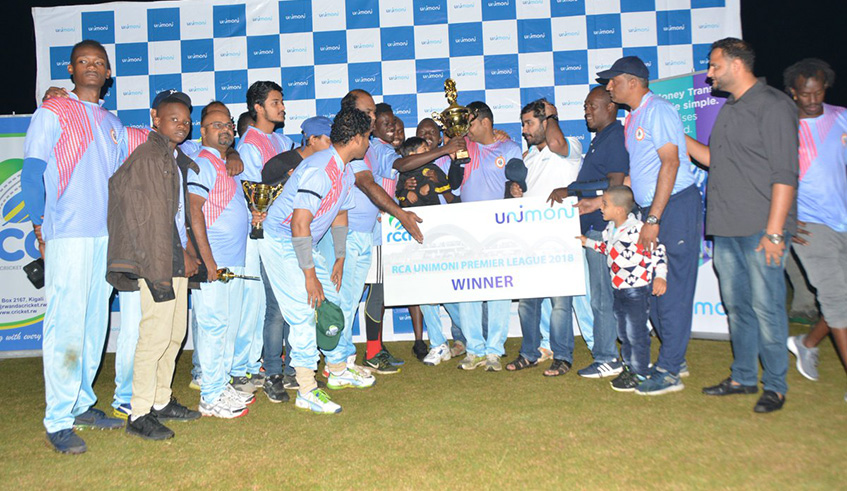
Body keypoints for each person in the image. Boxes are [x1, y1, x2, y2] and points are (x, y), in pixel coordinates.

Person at [22, 39, 126, 454]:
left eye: (99, 63)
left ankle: (82, 404)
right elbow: (33, 171)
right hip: (65, 231)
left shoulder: (113, 123)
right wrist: (39, 225)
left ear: (108, 75)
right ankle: (58, 419)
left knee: (93, 323)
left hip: (104, 236)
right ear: (69, 69)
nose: (91, 67)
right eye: (83, 61)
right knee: (65, 322)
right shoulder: (52, 110)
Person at [688, 38, 799, 413]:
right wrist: (678, 137)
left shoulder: (773, 105)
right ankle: (743, 377)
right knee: (737, 307)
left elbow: (785, 174)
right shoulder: (730, 109)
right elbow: (714, 161)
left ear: (737, 64)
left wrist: (773, 231)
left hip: (760, 228)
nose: (709, 73)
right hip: (727, 226)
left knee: (767, 306)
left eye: (714, 65)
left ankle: (776, 385)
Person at [259, 107, 375, 414]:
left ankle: (337, 370)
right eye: (368, 137)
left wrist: (339, 257)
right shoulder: (321, 168)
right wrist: (310, 275)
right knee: (303, 310)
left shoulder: (345, 170)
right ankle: (307, 389)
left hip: (303, 241)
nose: (369, 144)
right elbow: (299, 223)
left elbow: (339, 212)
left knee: (332, 301)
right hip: (282, 240)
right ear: (356, 138)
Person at [598, 56, 702, 395]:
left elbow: (670, 163)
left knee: (669, 288)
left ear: (632, 80)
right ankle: (675, 358)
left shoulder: (659, 109)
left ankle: (670, 369)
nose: (609, 86)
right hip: (650, 209)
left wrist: (654, 218)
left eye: (613, 80)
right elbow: (640, 170)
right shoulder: (633, 118)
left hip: (674, 207)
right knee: (652, 289)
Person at [107, 90, 202, 439]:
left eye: (186, 120)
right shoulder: (149, 156)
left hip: (172, 254)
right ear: (155, 119)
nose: (182, 124)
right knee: (154, 336)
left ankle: (161, 400)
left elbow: (176, 217)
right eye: (174, 118)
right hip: (156, 256)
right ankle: (139, 411)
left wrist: (185, 251)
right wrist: (173, 256)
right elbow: (149, 221)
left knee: (174, 333)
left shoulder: (172, 157)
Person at [550, 86, 630, 379]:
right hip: (592, 226)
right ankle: (611, 352)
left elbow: (616, 184)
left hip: (601, 226)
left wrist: (574, 191)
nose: (586, 111)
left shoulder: (614, 137)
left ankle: (608, 357)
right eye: (585, 106)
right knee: (599, 296)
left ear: (610, 107)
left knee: (601, 298)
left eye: (592, 106)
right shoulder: (602, 138)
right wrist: (572, 191)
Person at [780, 58, 847, 401]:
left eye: (818, 91)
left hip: (843, 220)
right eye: (805, 93)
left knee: (843, 299)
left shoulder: (841, 117)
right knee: (836, 297)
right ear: (792, 92)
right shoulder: (781, 125)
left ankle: (807, 343)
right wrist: (785, 218)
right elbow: (763, 177)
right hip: (810, 226)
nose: (813, 98)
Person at [507, 99, 585, 377]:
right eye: (523, 123)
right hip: (530, 240)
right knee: (528, 302)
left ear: (547, 120)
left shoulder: (570, 145)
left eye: (529, 123)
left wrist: (552, 115)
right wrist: (515, 192)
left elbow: (555, 144)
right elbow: (521, 196)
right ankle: (530, 352)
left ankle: (562, 356)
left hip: (561, 239)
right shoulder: (527, 158)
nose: (524, 129)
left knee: (560, 304)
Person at [258, 116, 333, 398]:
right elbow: (260, 202)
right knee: (277, 311)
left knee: (302, 309)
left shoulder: (325, 167)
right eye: (327, 139)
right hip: (276, 243)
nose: (331, 145)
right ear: (311, 139)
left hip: (301, 245)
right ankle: (273, 373)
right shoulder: (280, 164)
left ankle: (293, 371)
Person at [187, 102, 254, 418]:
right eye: (216, 125)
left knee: (227, 328)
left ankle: (219, 384)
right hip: (212, 261)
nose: (225, 128)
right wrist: (206, 261)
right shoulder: (203, 162)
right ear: (202, 131)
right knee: (213, 326)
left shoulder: (224, 162)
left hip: (233, 259)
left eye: (228, 124)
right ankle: (210, 396)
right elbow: (193, 210)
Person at [450, 101, 526, 371]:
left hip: (499, 227)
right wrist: (457, 150)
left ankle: (494, 350)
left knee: (498, 289)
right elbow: (454, 185)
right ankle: (475, 349)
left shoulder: (509, 147)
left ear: (485, 122)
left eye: (469, 122)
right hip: (467, 227)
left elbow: (516, 185)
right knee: (466, 288)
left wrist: (516, 191)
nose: (465, 128)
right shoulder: (462, 148)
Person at [233, 81, 297, 396]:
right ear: (258, 108)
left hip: (287, 232)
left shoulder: (283, 140)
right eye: (275, 102)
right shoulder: (249, 145)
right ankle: (267, 370)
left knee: (287, 302)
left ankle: (286, 367)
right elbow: (252, 195)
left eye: (281, 101)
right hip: (262, 236)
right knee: (270, 306)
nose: (281, 107)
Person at [579, 186, 667, 391]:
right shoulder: (610, 229)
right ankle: (630, 367)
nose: (601, 208)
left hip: (636, 290)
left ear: (619, 209)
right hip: (618, 290)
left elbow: (658, 251)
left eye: (605, 204)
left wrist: (660, 277)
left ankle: (641, 372)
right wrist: (587, 243)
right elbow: (607, 249)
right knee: (624, 333)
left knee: (636, 333)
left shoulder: (638, 229)